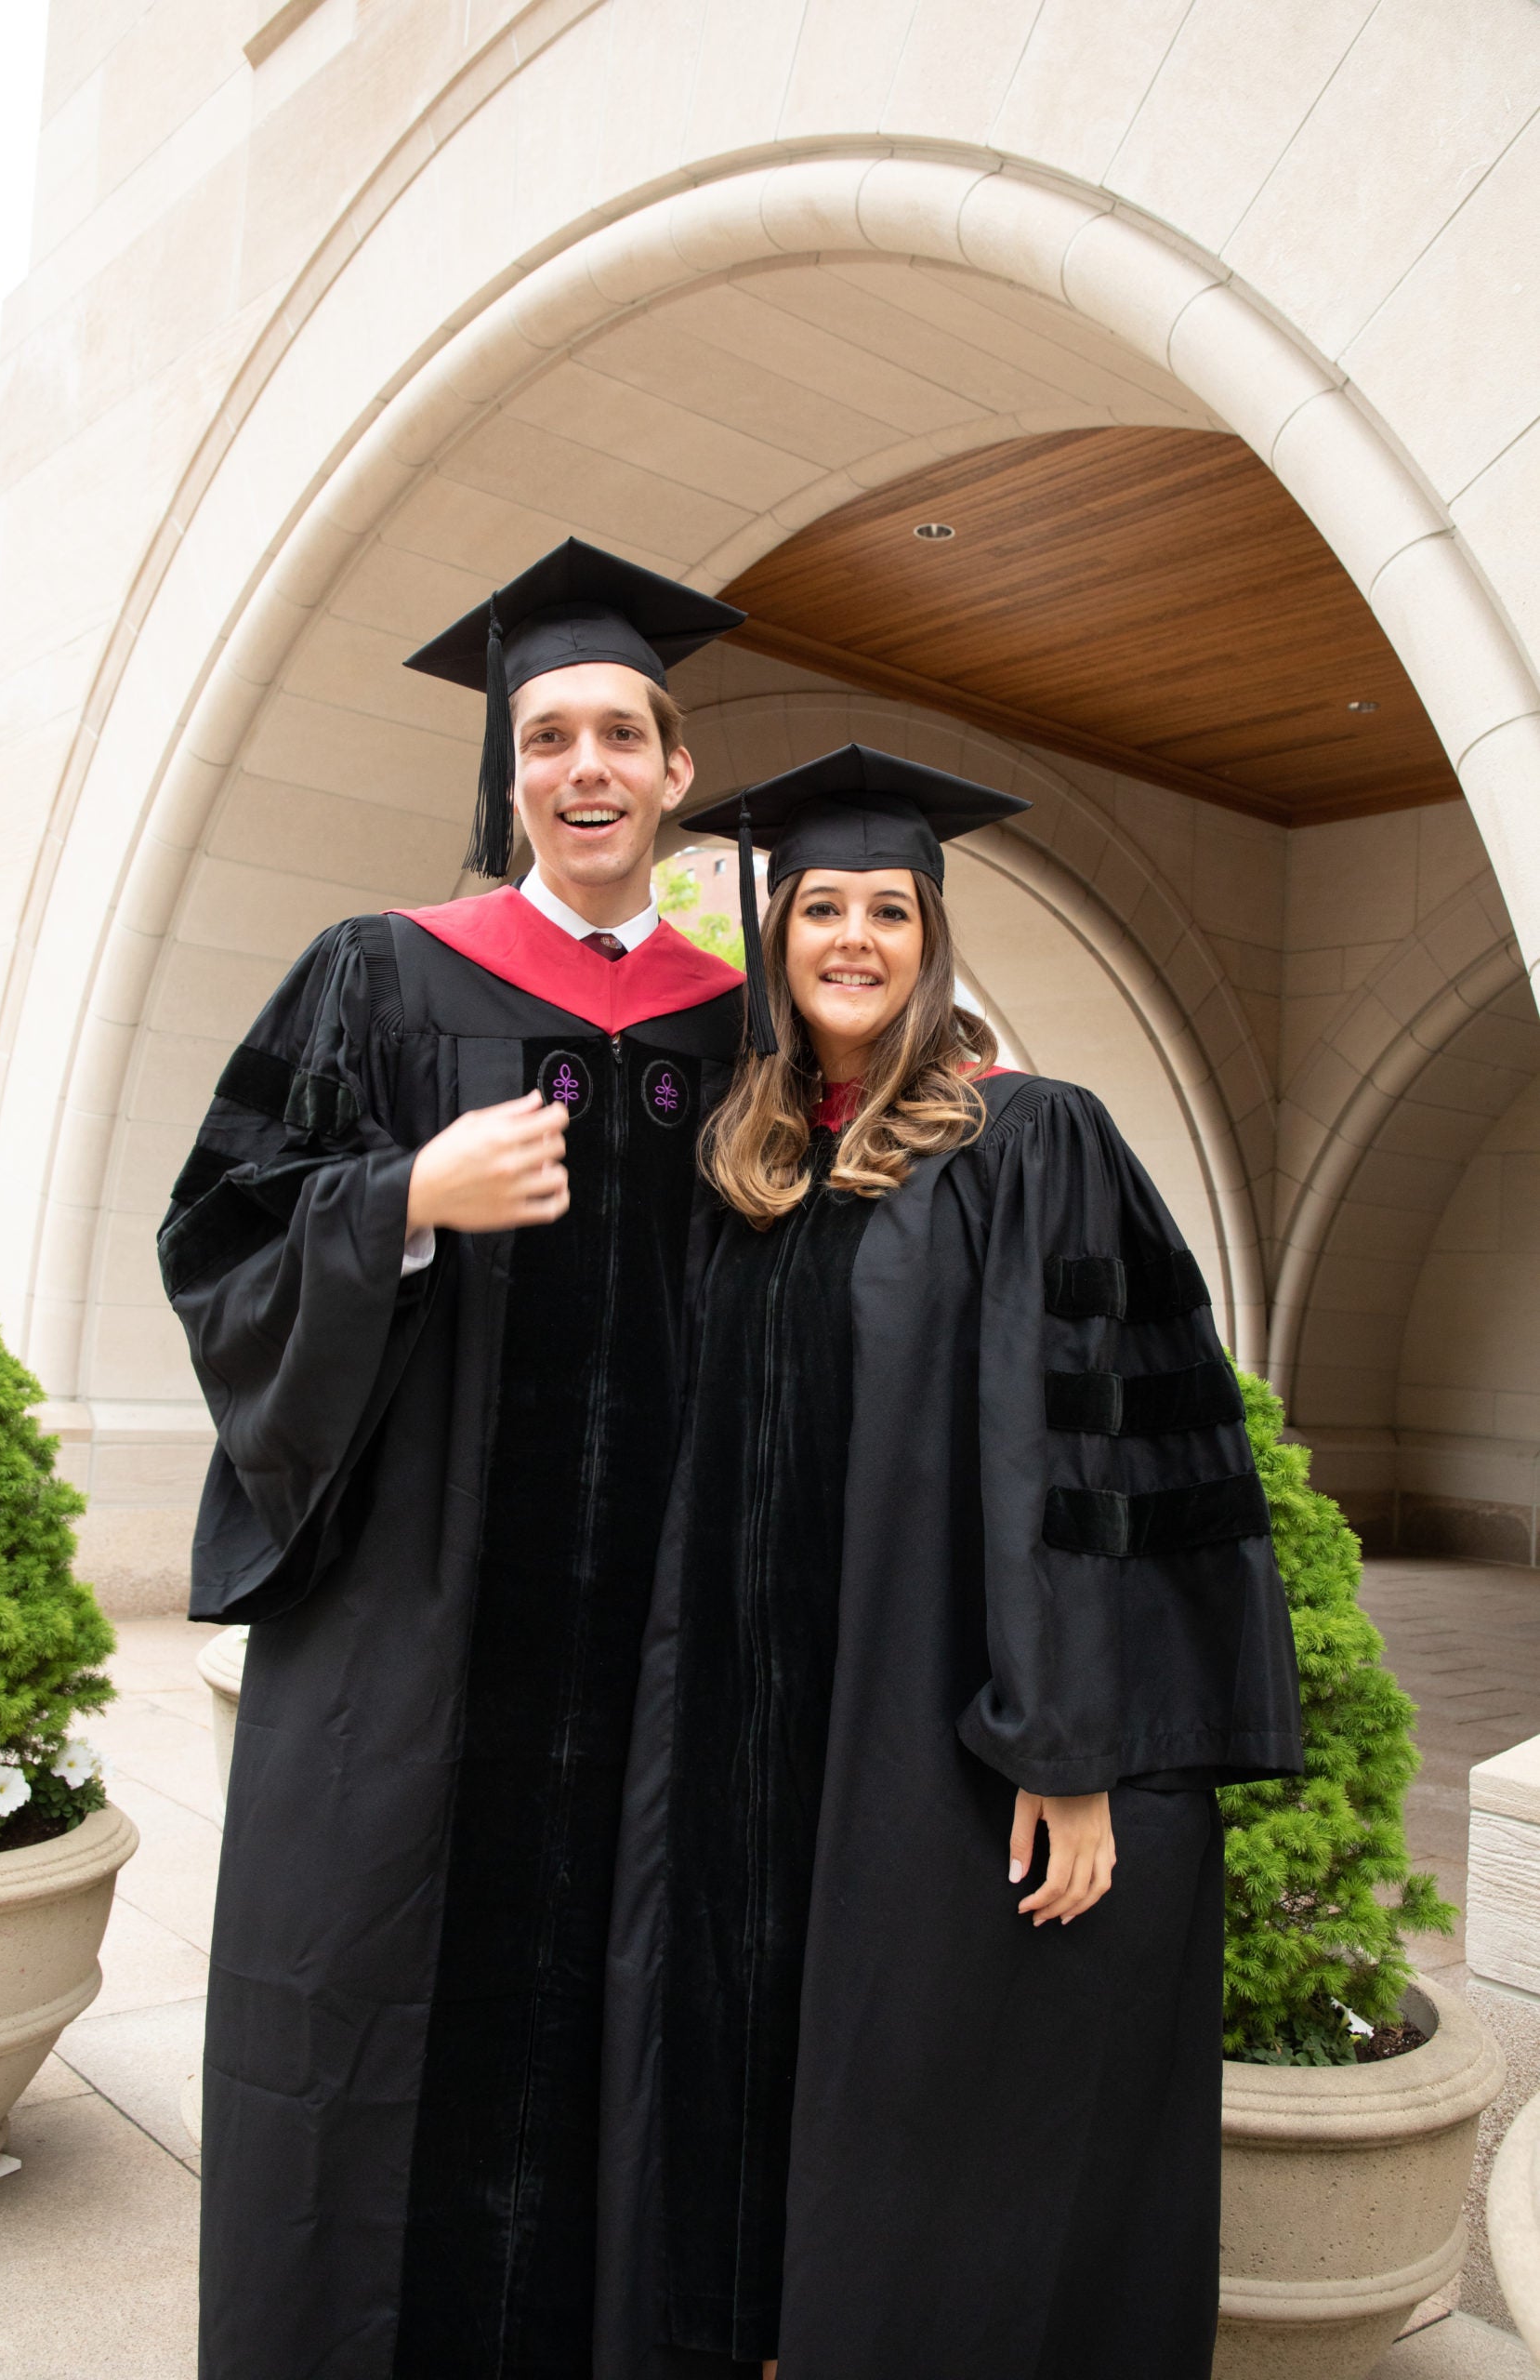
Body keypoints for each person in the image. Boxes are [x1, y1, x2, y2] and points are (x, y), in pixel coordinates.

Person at [595, 745, 1304, 2380]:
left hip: (930, 1723)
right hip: (751, 1730)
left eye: (890, 911)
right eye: (822, 907)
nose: (854, 937)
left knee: (922, 2085)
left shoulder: (1025, 1140)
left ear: (934, 940)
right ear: (776, 942)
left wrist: (1068, 1751)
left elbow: (1082, 1465)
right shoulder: (746, 1169)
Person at [159, 539, 748, 2379]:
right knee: (379, 2013)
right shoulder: (378, 976)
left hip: (652, 1646)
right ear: (510, 777)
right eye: (547, 733)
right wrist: (404, 1195)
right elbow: (219, 1231)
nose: (583, 765)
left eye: (618, 734)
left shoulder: (734, 1032)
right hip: (421, 1638)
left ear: (674, 772)